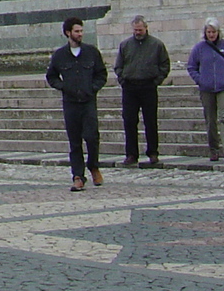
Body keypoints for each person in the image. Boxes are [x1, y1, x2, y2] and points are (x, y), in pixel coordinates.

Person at [47, 16, 106, 191]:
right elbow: (51, 76)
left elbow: (101, 74)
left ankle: (94, 166)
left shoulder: (91, 52)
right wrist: (63, 87)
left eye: (81, 31)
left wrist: (93, 88)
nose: (80, 34)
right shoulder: (60, 55)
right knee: (74, 141)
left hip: (88, 101)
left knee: (92, 137)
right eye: (77, 31)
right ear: (68, 33)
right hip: (71, 102)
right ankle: (78, 176)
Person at [114, 15, 170, 166]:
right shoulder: (125, 45)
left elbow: (164, 65)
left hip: (148, 86)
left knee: (150, 121)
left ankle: (152, 152)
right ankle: (131, 154)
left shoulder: (156, 45)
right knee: (129, 121)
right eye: (135, 30)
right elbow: (118, 65)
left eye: (140, 29)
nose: (138, 32)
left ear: (146, 28)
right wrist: (122, 79)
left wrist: (156, 81)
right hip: (130, 87)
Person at [186, 18, 224, 162]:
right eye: (209, 32)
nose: (211, 34)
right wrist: (200, 79)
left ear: (218, 32)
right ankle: (214, 149)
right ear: (205, 33)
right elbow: (191, 66)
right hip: (207, 88)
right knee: (210, 120)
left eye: (214, 32)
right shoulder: (199, 48)